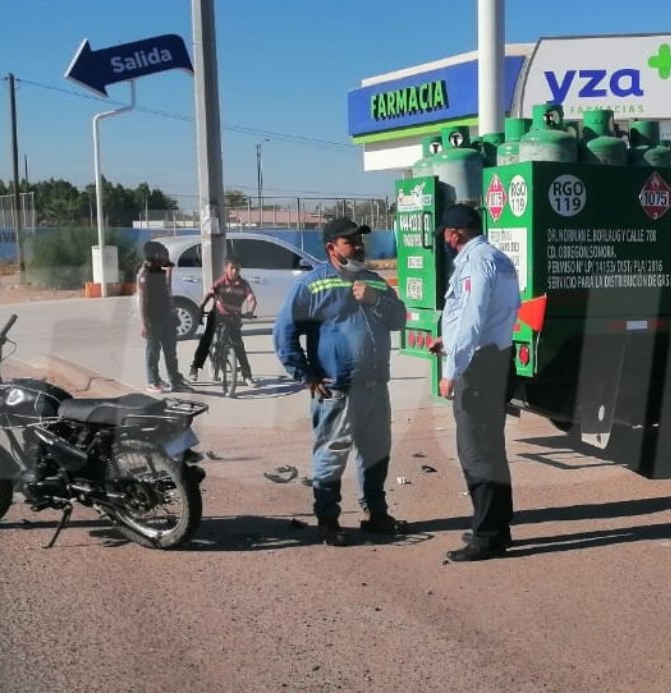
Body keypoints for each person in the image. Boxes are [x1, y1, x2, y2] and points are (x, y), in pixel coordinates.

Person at [273, 218, 408, 546]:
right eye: (349, 241)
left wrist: (375, 300)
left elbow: (399, 318)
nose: (358, 245)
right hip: (337, 388)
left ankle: (375, 513)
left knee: (376, 454)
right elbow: (284, 334)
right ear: (331, 248)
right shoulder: (312, 285)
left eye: (360, 240)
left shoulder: (374, 282)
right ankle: (328, 521)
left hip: (376, 386)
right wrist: (306, 375)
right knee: (332, 455)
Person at [429, 205, 522, 562]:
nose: (447, 242)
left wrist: (452, 368)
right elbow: (499, 312)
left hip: (478, 367)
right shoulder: (498, 257)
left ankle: (487, 537)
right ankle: (498, 527)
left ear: (456, 233)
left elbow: (471, 317)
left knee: (476, 452)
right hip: (495, 359)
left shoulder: (475, 261)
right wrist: (447, 340)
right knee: (490, 449)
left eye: (447, 235)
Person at [190, 255, 258, 387]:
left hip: (233, 318)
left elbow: (252, 299)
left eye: (237, 269)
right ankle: (195, 368)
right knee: (206, 340)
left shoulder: (244, 284)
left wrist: (250, 311)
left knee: (239, 346)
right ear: (225, 269)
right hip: (217, 315)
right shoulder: (220, 282)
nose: (235, 271)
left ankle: (247, 376)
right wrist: (201, 307)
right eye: (232, 268)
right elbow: (209, 294)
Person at [137, 240, 191, 394]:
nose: (164, 257)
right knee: (153, 352)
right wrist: (144, 324)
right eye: (162, 254)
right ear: (153, 255)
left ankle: (175, 380)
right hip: (153, 319)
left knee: (170, 352)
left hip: (167, 317)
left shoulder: (160, 271)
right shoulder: (144, 275)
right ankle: (153, 382)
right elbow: (142, 301)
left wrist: (173, 312)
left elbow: (168, 293)